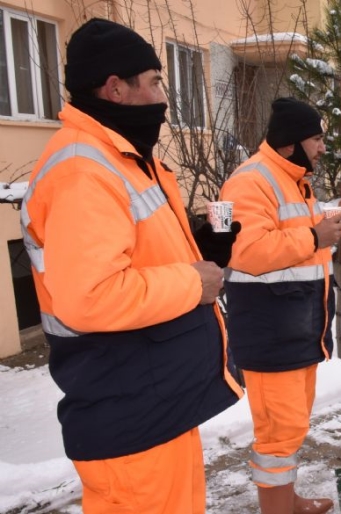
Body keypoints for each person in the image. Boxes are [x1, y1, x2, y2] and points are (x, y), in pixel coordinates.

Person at [19, 18, 243, 513]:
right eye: (156, 81)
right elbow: (91, 296)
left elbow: (138, 255)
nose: (164, 95)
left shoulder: (122, 159)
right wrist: (194, 281)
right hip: (129, 410)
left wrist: (204, 249)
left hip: (156, 400)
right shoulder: (83, 169)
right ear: (116, 89)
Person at [221, 98, 341, 514]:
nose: (322, 147)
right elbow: (243, 250)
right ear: (289, 144)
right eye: (316, 139)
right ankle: (277, 508)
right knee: (278, 432)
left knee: (294, 424)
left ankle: (287, 499)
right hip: (269, 329)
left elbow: (298, 222)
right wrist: (316, 237)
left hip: (298, 324)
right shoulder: (248, 181)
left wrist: (337, 211)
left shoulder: (294, 180)